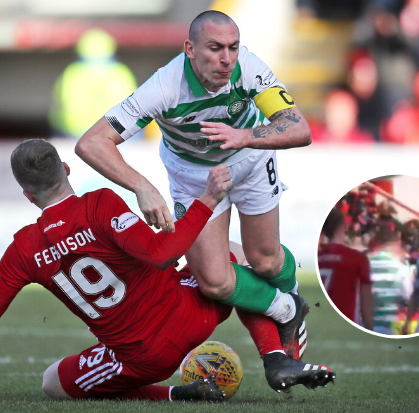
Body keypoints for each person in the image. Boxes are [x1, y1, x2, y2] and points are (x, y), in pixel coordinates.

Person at [0, 139, 335, 401]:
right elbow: (161, 253)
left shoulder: (23, 248)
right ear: (68, 170)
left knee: (51, 384)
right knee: (231, 255)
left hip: (140, 359)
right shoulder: (101, 204)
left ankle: (172, 395)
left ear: (25, 194)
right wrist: (205, 201)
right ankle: (276, 356)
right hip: (195, 313)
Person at [76, 10, 311, 359]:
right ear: (190, 48)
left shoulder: (248, 67)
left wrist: (245, 136)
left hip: (250, 161)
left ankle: (290, 292)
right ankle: (286, 309)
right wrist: (143, 187)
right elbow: (91, 143)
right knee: (214, 281)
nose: (226, 59)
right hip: (193, 178)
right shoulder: (164, 87)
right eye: (215, 48)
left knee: (265, 261)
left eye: (233, 47)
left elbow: (299, 129)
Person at [49, 29, 137, 138]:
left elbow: (59, 108)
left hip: (74, 134)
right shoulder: (119, 72)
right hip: (113, 132)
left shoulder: (71, 73)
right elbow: (133, 108)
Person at [318, 208, 373, 330]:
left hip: (321, 323)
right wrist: (369, 326)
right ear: (344, 227)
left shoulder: (316, 258)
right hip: (347, 323)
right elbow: (366, 301)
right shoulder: (357, 258)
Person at [367, 223, 413, 335]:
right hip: (389, 326)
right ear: (397, 244)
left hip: (364, 323)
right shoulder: (400, 267)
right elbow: (409, 296)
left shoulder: (363, 262)